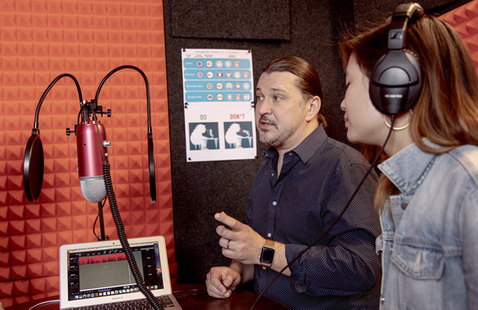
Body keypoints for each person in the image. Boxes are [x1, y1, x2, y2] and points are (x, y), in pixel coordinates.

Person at [205, 56, 382, 309]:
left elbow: (361, 268)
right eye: (259, 97)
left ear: (311, 107)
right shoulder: (267, 169)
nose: (263, 109)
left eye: (277, 97)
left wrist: (262, 251)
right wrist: (237, 271)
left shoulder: (345, 167)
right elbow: (265, 253)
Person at [339, 3, 478, 309]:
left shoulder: (468, 185)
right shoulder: (402, 189)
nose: (342, 104)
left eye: (348, 84)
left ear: (394, 84)